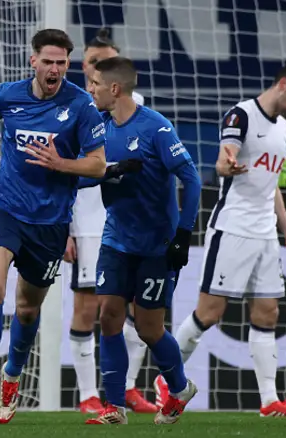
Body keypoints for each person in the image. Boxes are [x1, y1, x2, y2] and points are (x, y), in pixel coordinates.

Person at [0, 28, 117, 424]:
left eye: (61, 63)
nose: (54, 69)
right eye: (47, 61)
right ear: (33, 61)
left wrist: (61, 164)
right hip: (4, 208)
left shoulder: (81, 106)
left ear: (69, 64)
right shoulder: (6, 95)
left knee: (28, 309)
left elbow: (98, 165)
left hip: (49, 222)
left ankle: (12, 375)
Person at [154, 61, 286, 417]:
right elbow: (221, 162)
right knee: (209, 313)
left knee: (268, 312)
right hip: (232, 229)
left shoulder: (285, 129)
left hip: (264, 234)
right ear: (284, 84)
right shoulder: (241, 115)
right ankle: (167, 379)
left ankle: (269, 401)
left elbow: (271, 185)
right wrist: (228, 164)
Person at [83, 57, 202, 425]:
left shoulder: (156, 128)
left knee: (150, 329)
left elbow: (193, 180)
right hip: (116, 239)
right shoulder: (98, 128)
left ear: (114, 89)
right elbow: (83, 176)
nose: (91, 91)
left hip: (156, 246)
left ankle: (180, 388)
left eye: (96, 85)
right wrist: (110, 170)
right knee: (109, 317)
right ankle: (114, 407)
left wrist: (183, 234)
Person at [65, 28, 156, 415]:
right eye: (92, 61)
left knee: (138, 306)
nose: (97, 68)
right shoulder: (68, 107)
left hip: (128, 219)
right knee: (89, 308)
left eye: (106, 62)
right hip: (86, 220)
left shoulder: (139, 108)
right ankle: (88, 393)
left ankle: (130, 388)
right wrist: (63, 228)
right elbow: (63, 172)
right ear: (84, 66)